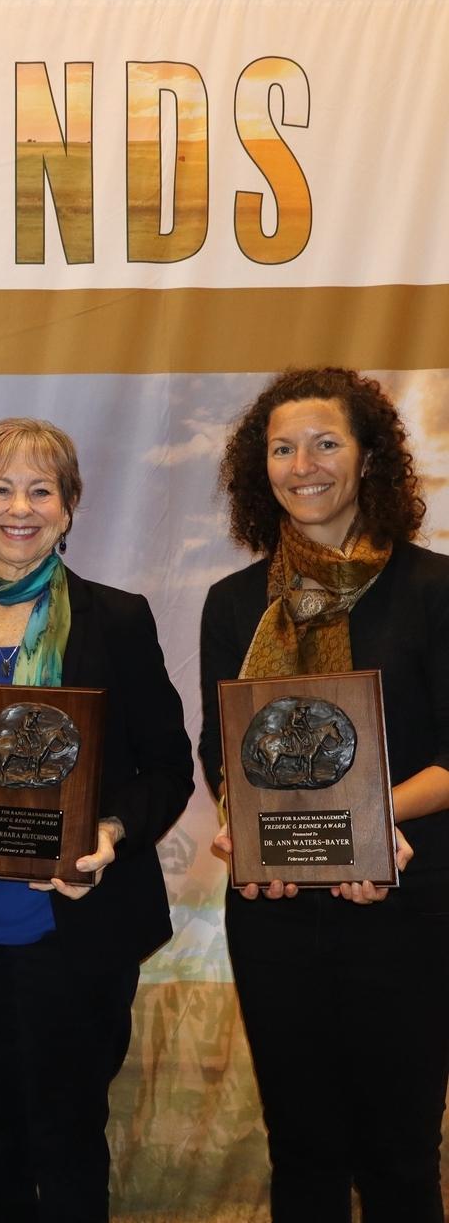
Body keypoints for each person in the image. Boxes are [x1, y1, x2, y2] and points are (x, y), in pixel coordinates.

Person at [0, 416, 193, 1222]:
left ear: (68, 508)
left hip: (80, 924)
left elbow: (169, 767)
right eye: (0, 489)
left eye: (41, 489)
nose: (19, 507)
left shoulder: (118, 619)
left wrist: (110, 836)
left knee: (68, 1140)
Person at [199, 367, 449, 1222]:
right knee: (301, 1153)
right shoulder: (234, 603)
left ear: (370, 456)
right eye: (280, 447)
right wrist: (244, 830)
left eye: (325, 442)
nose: (301, 463)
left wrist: (373, 823)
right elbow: (221, 751)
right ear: (256, 467)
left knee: (401, 1157)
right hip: (274, 913)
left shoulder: (432, 590)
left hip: (407, 906)